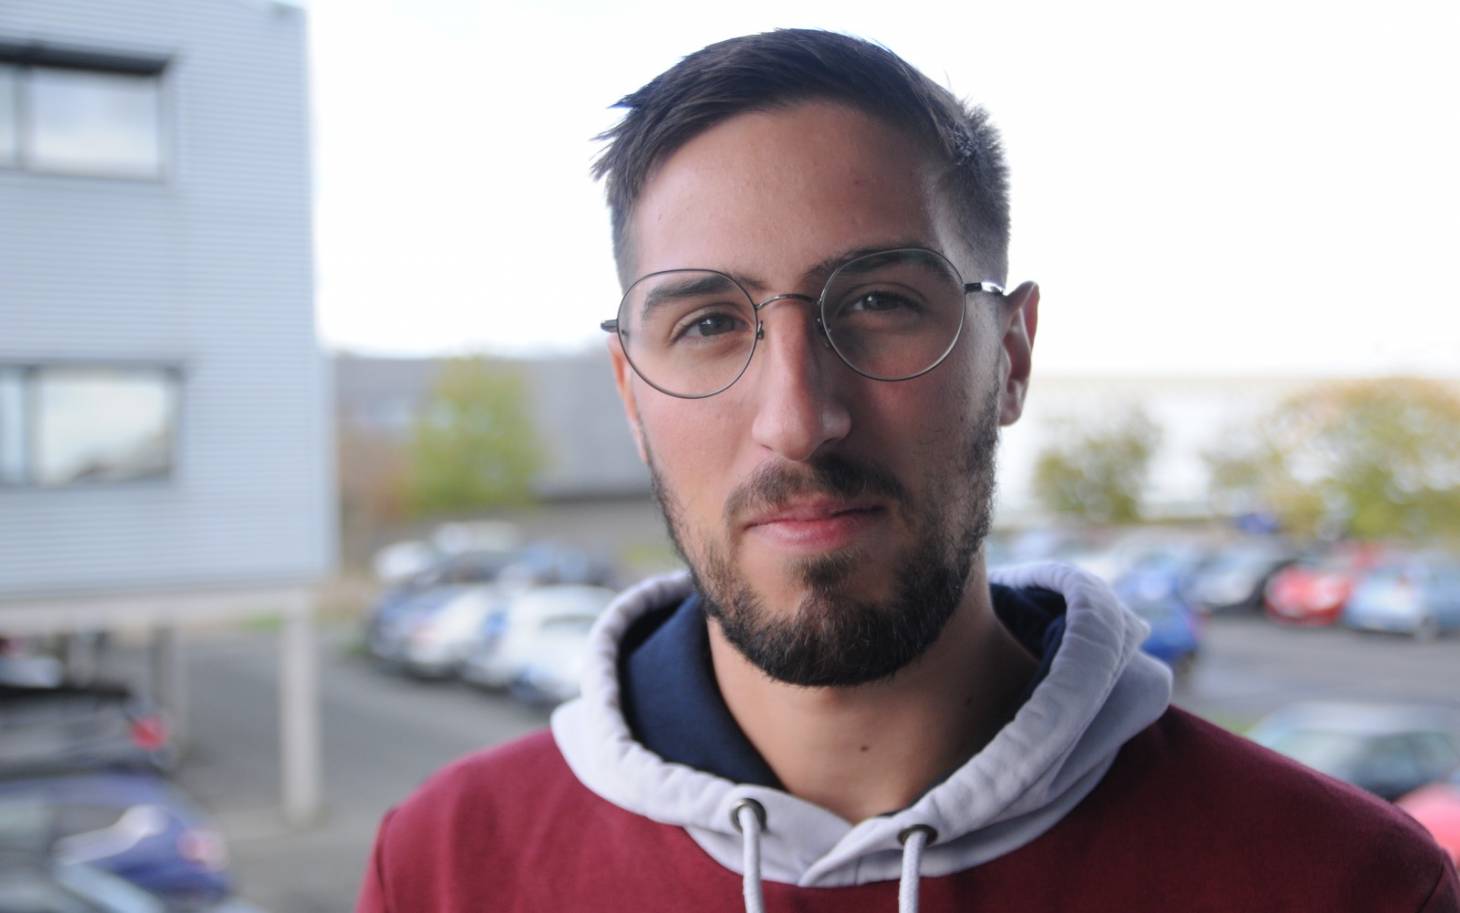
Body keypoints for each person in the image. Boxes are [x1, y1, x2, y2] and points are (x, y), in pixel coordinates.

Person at [356, 29, 1457, 913]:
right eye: (705, 322)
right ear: (630, 392)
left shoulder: (1337, 881)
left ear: (1012, 356)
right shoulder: (447, 868)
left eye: (878, 302)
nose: (798, 420)